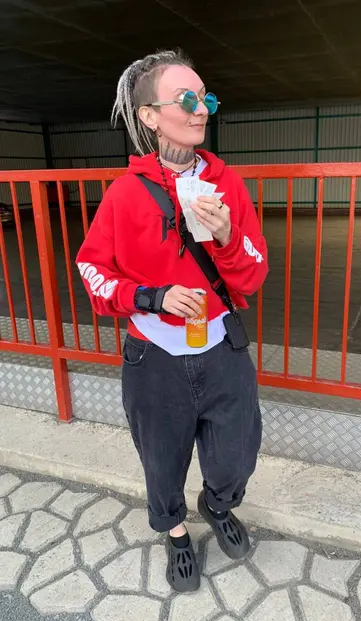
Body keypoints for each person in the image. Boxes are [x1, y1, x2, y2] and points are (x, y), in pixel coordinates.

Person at [76, 49, 268, 592]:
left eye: (205, 98)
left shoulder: (227, 185)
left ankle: (218, 504)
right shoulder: (124, 194)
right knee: (161, 460)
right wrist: (151, 297)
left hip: (221, 347)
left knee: (237, 454)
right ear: (150, 116)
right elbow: (92, 270)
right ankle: (177, 534)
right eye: (186, 99)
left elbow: (254, 273)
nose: (200, 109)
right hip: (154, 356)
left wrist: (227, 235)